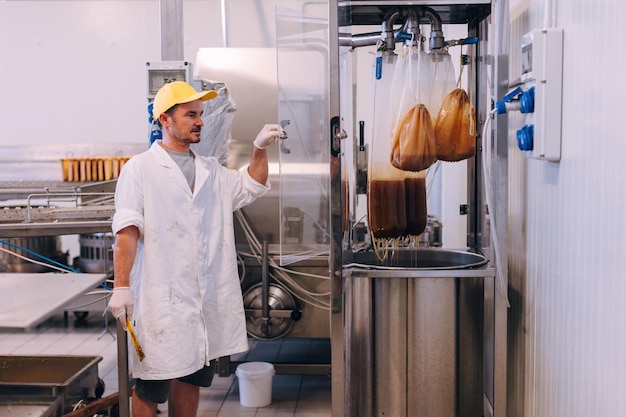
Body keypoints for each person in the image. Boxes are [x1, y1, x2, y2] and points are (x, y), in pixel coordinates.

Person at [107, 81, 280, 417]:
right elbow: (127, 231)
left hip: (201, 302)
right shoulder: (139, 169)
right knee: (151, 385)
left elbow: (252, 185)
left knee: (192, 375)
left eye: (200, 114)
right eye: (190, 114)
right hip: (161, 300)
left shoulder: (210, 170)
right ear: (165, 120)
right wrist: (122, 287)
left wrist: (259, 149)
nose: (200, 121)